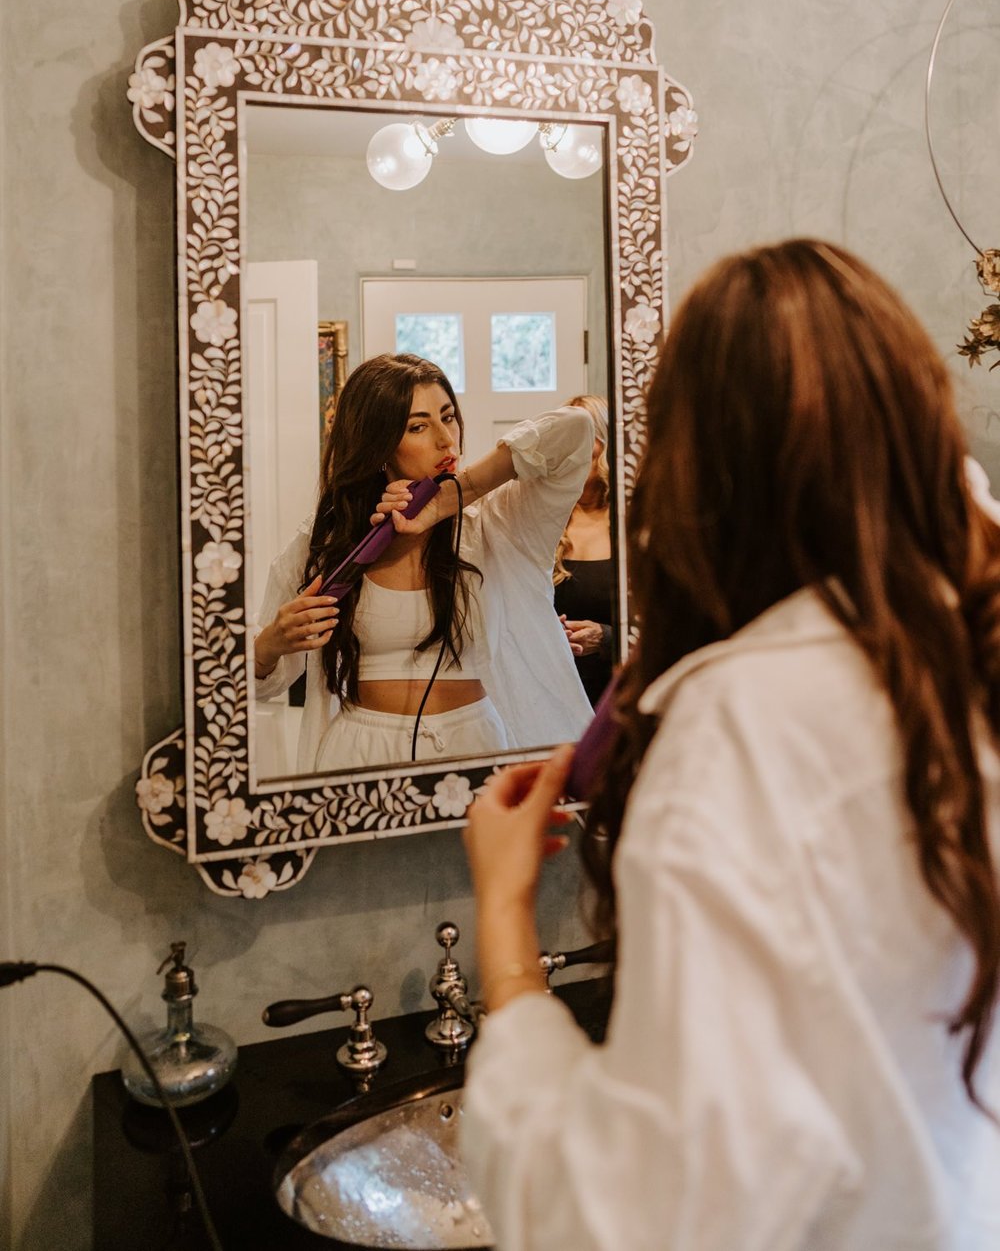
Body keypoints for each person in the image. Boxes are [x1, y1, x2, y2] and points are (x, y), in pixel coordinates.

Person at [461, 240, 1000, 1251]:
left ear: (692, 468)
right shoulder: (964, 663)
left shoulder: (743, 728)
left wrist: (502, 924)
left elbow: (630, 1222)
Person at [253, 353, 594, 772]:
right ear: (377, 445)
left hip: (477, 744)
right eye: (418, 426)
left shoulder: (497, 523)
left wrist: (454, 496)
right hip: (359, 752)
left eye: (448, 417)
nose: (446, 440)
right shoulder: (326, 540)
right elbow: (257, 683)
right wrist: (272, 642)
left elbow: (576, 430)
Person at [553, 394, 615, 705]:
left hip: (613, 693)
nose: (574, 446)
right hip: (553, 692)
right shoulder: (545, 520)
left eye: (585, 434)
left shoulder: (633, 523)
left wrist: (604, 637)